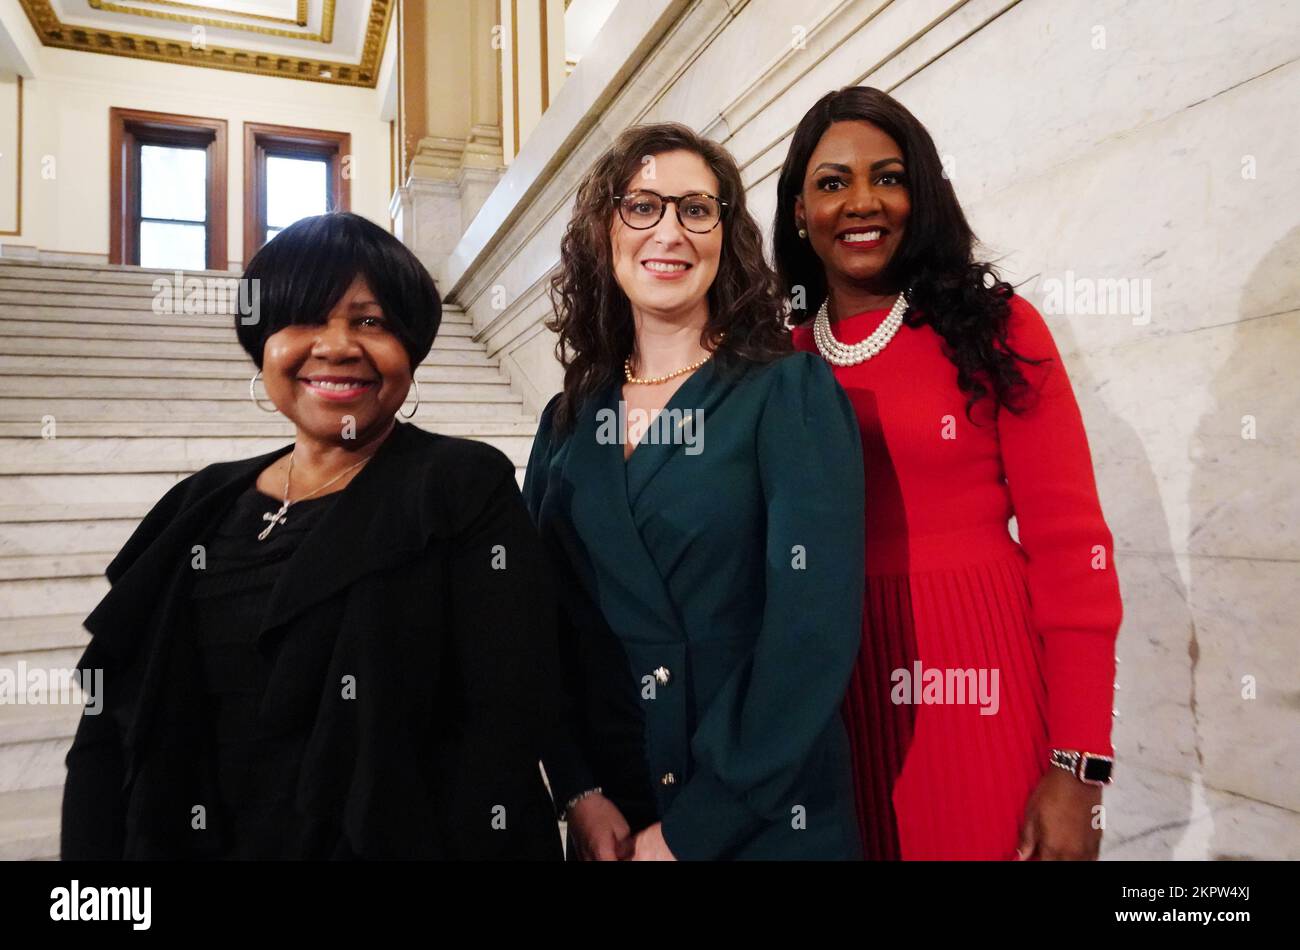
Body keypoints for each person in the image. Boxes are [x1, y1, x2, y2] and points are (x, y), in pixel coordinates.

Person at [61, 212, 563, 860]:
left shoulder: (461, 486)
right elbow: (109, 732)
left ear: (410, 347)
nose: (336, 346)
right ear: (262, 345)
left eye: (370, 321)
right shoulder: (198, 504)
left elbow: (503, 725)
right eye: (303, 319)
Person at [773, 86, 1123, 860]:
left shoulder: (995, 328)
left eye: (887, 177)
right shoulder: (776, 360)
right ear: (799, 211)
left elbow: (1074, 551)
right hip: (831, 698)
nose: (862, 201)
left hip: (982, 681)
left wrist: (1077, 766)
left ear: (921, 192)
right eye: (831, 183)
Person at [524, 123, 865, 860]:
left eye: (696, 209)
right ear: (603, 230)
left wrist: (692, 831)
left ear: (726, 232)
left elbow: (812, 631)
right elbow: (538, 623)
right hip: (615, 816)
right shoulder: (566, 419)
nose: (670, 231)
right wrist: (578, 790)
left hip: (764, 811)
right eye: (643, 206)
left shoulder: (788, 391)